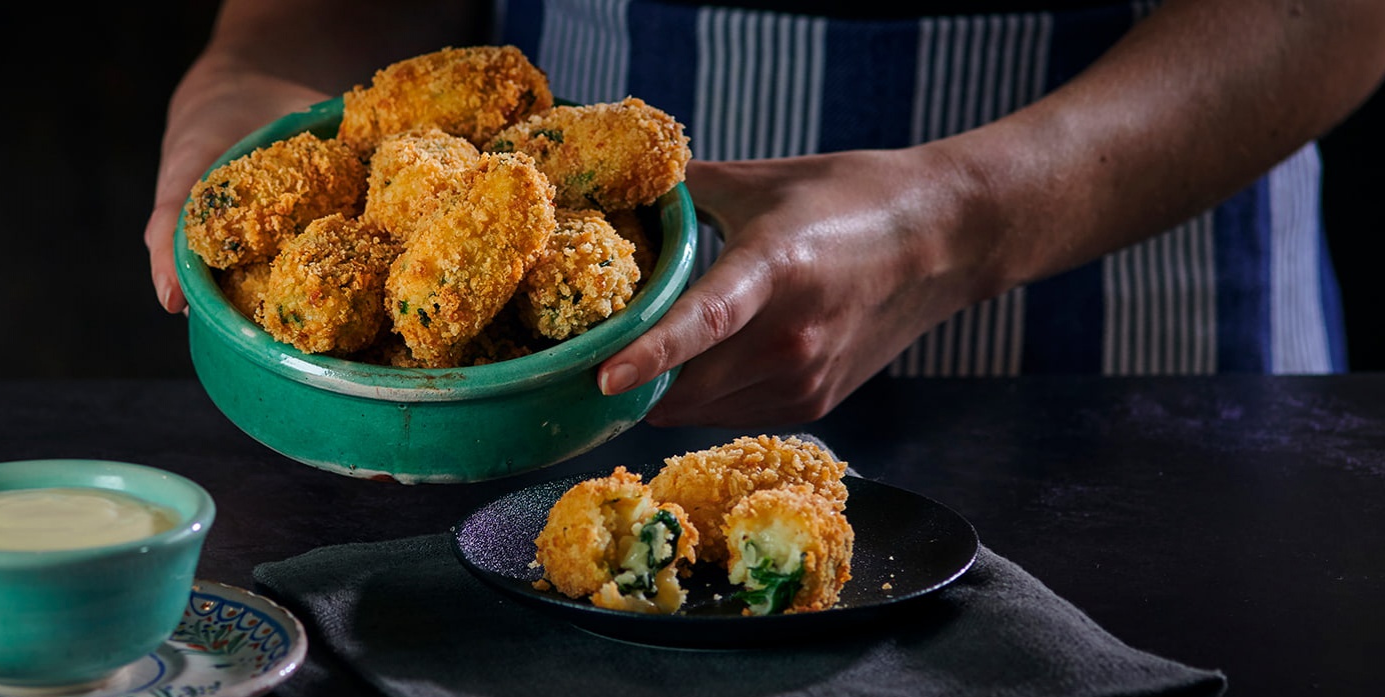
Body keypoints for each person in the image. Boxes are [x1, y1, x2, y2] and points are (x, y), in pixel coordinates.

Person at [143, 0, 1385, 429]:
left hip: (1137, 344)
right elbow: (315, 19)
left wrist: (967, 216)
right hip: (572, 380)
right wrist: (255, 70)